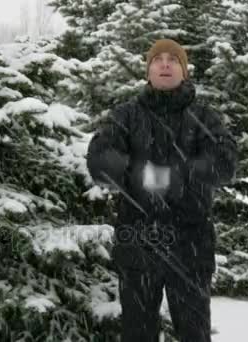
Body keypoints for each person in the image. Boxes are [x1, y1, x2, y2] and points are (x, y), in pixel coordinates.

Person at [86, 39, 238, 342]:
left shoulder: (205, 117)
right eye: (158, 59)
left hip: (191, 243)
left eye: (173, 59)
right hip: (137, 243)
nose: (165, 64)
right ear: (148, 70)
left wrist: (175, 175)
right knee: (137, 332)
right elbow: (99, 160)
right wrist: (137, 173)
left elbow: (224, 162)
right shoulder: (126, 115)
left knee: (194, 332)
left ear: (184, 70)